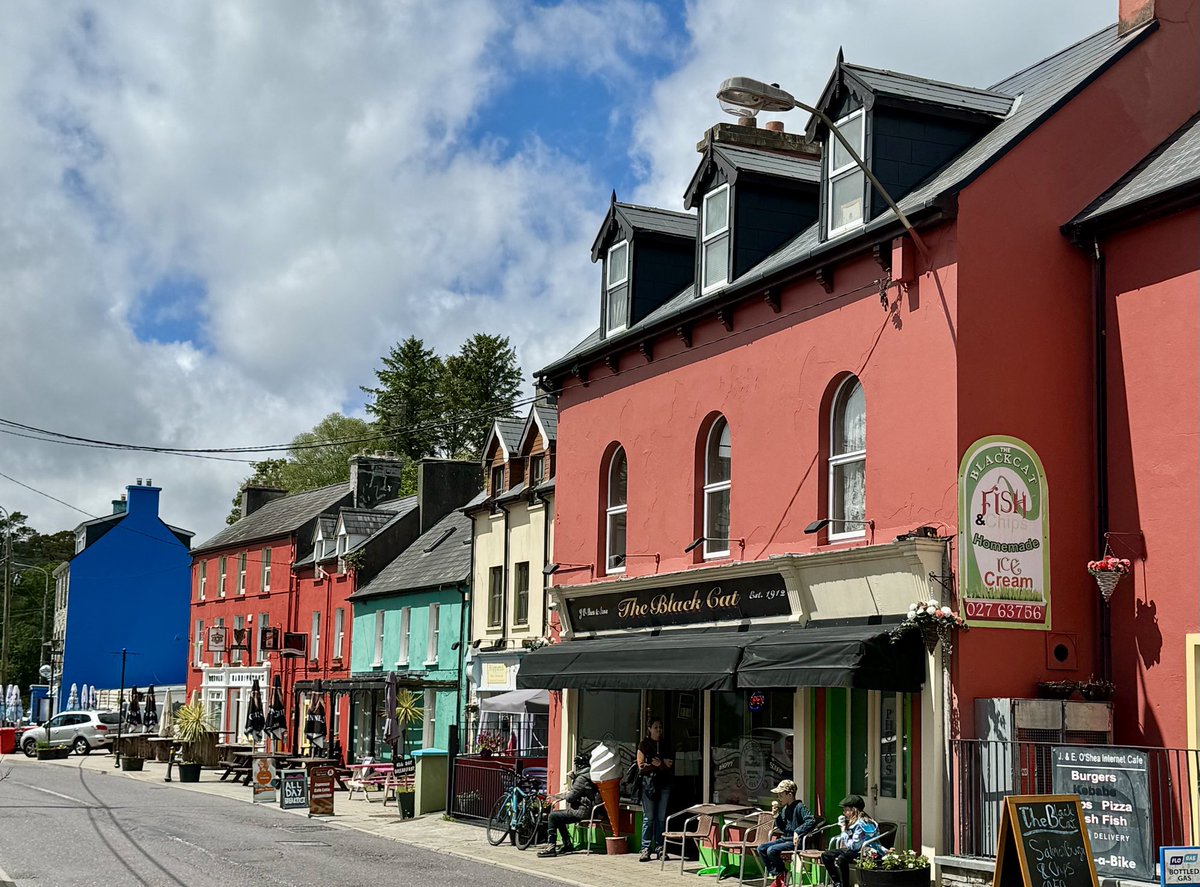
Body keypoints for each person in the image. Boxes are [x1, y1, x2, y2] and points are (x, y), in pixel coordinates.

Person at [756, 779, 818, 887]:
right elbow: (783, 828)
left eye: (780, 795)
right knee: (761, 848)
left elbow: (811, 821)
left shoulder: (800, 807)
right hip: (785, 839)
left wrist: (797, 832)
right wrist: (776, 816)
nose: (778, 798)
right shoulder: (785, 809)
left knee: (771, 850)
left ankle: (781, 875)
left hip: (795, 842)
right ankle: (779, 874)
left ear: (790, 795)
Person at [538, 752, 598, 857]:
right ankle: (567, 844)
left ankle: (551, 846)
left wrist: (573, 782)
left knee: (552, 816)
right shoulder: (591, 776)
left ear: (579, 766)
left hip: (581, 811)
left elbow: (570, 798)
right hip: (590, 809)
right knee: (558, 817)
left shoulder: (581, 779)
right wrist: (558, 796)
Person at [636, 716, 675, 862]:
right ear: (649, 728)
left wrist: (660, 764)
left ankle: (660, 847)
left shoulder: (666, 744)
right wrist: (657, 765)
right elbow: (641, 767)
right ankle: (645, 848)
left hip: (664, 784)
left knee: (661, 818)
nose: (659, 730)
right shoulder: (644, 744)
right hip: (649, 786)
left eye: (660, 727)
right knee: (649, 817)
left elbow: (669, 764)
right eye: (656, 727)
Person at [821, 794, 880, 887]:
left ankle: (845, 884)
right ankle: (837, 883)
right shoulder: (853, 821)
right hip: (854, 849)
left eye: (846, 810)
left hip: (865, 850)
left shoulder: (862, 823)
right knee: (826, 855)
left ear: (853, 810)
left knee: (842, 858)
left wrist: (843, 831)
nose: (844, 813)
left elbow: (855, 846)